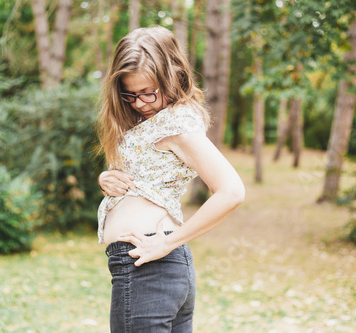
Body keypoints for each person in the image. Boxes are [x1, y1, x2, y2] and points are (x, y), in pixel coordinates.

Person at [96, 25, 245, 333]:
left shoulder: (177, 123)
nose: (139, 103)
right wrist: (107, 179)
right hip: (159, 268)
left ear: (173, 75)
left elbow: (231, 191)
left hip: (149, 266)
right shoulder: (154, 122)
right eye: (130, 94)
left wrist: (169, 242)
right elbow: (148, 178)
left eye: (148, 92)